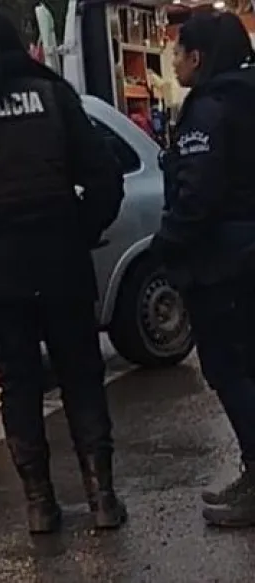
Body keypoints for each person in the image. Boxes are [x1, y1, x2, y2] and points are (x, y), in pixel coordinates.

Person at [0, 10, 126, 534]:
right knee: (81, 377)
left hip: (0, 269)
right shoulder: (54, 97)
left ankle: (39, 504)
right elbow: (105, 179)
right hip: (62, 259)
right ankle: (102, 498)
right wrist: (79, 229)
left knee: (18, 385)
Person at [148, 11, 255, 528]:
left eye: (178, 51)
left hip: (225, 264)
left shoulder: (210, 110)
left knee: (230, 372)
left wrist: (165, 244)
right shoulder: (245, 97)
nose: (173, 60)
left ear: (198, 57)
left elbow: (198, 196)